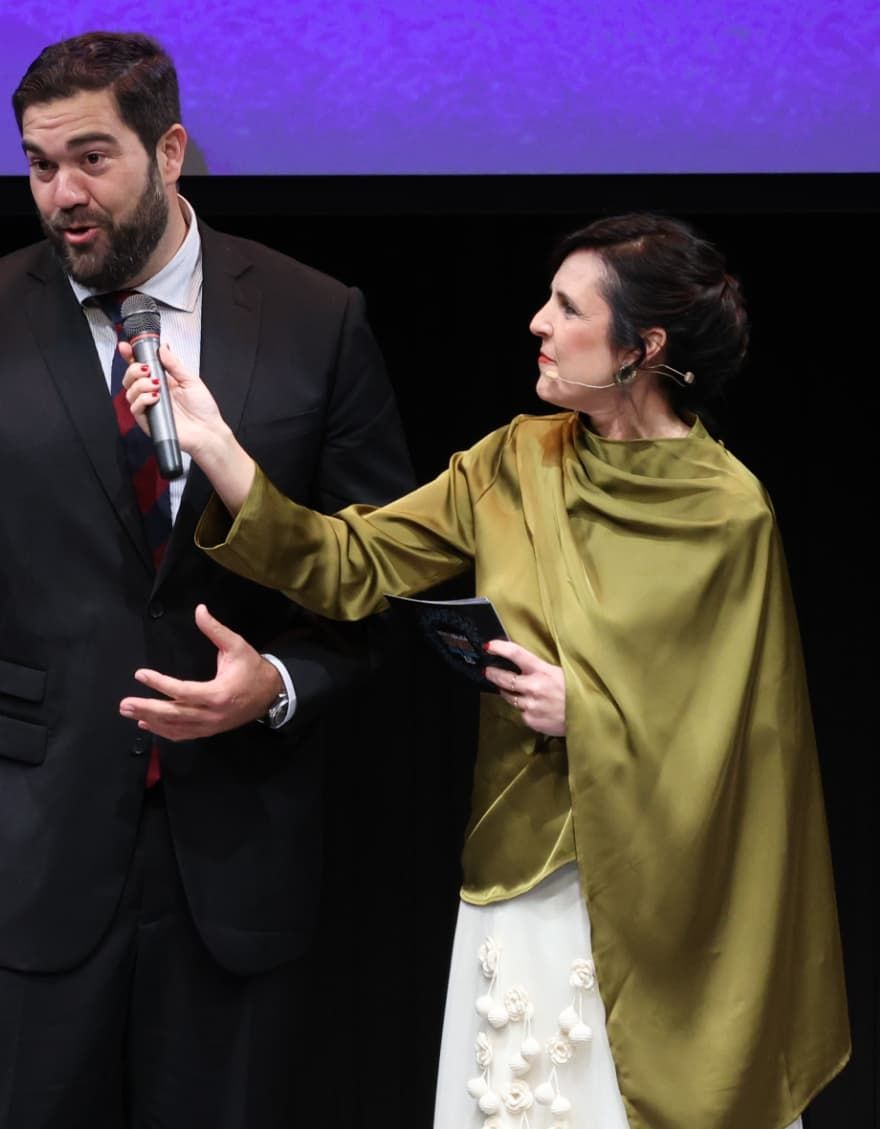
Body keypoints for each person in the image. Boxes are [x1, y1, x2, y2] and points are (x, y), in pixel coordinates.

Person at [0, 30, 415, 1129]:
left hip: (236, 858)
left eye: (91, 159)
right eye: (40, 165)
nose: (61, 194)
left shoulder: (317, 319)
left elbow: (379, 576)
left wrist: (274, 684)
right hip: (33, 857)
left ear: (168, 150)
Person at [121, 212, 850, 1128]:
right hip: (525, 873)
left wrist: (585, 710)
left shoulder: (729, 512)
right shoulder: (516, 459)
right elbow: (353, 562)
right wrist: (218, 445)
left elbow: (745, 740)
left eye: (566, 306)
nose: (537, 322)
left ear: (642, 346)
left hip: (667, 891)